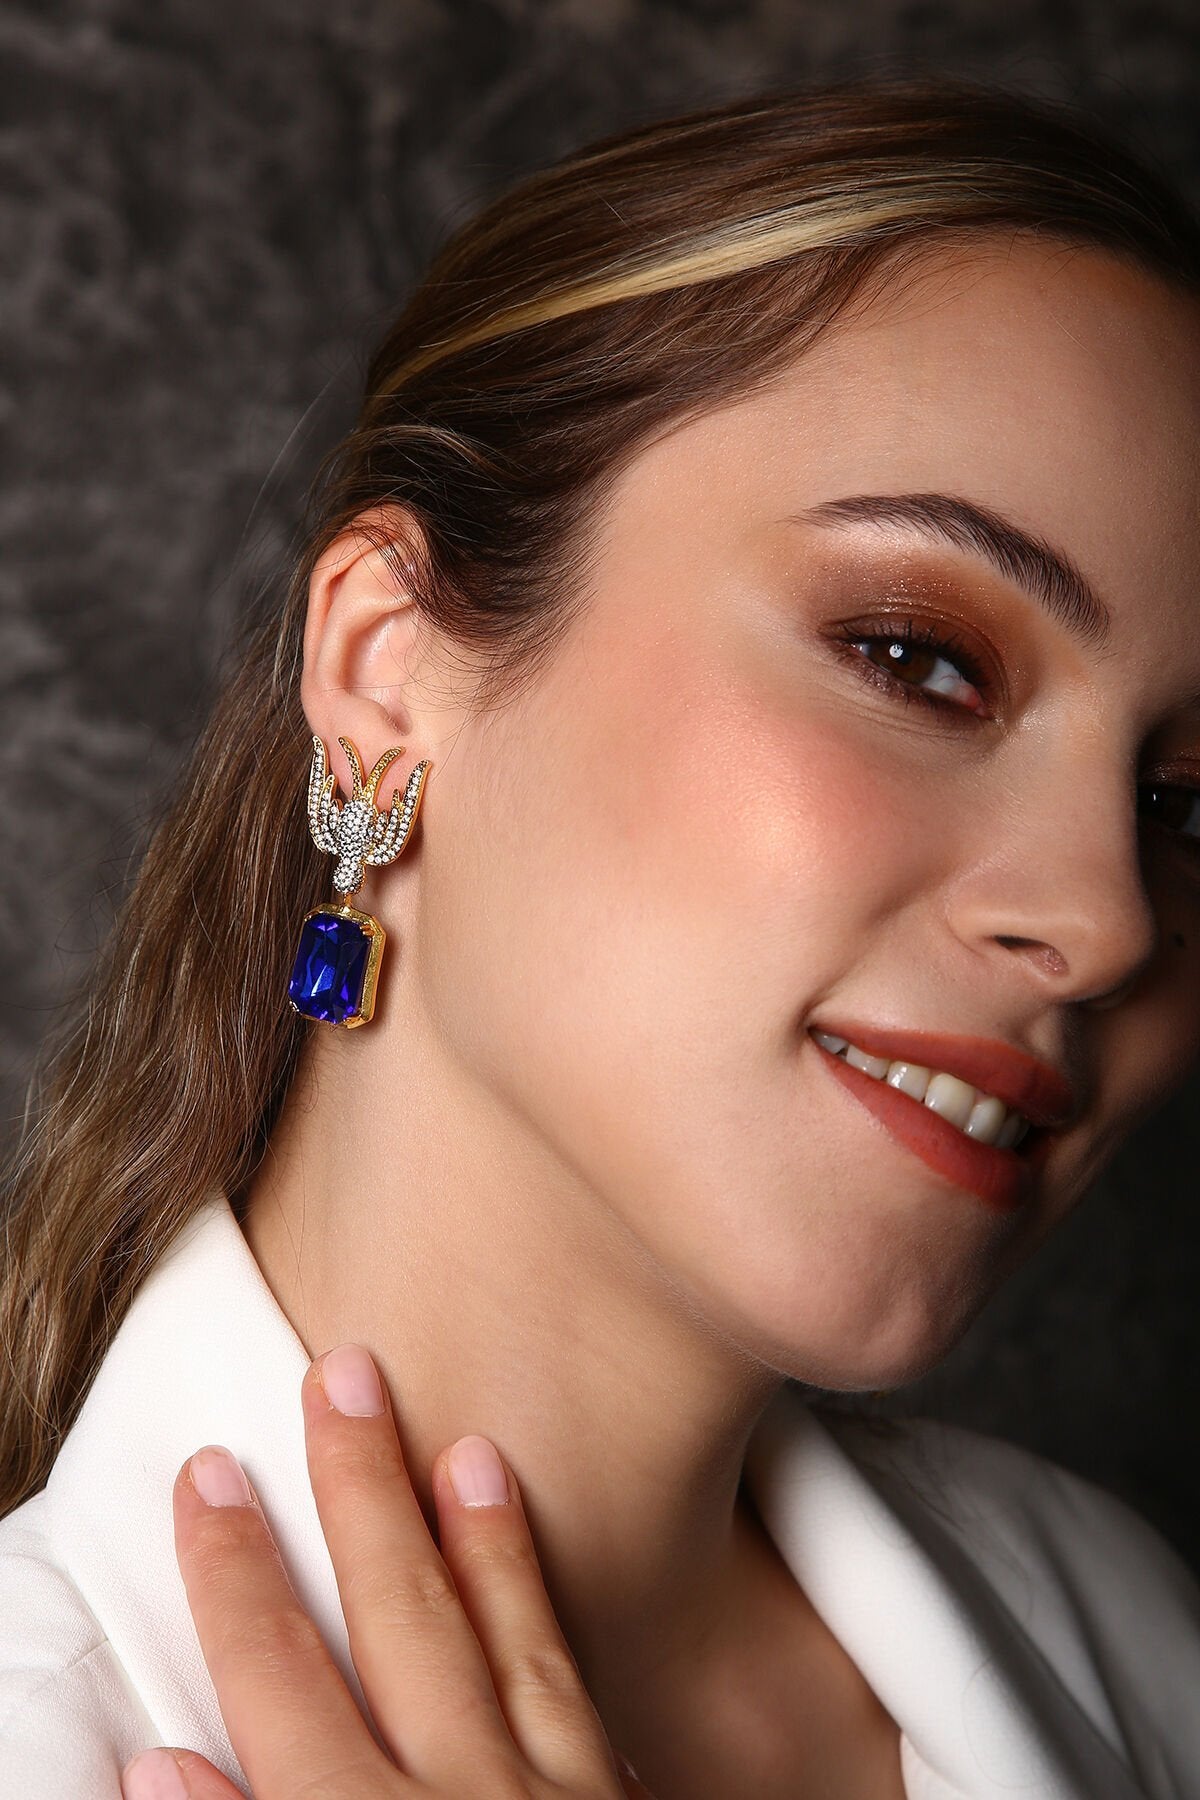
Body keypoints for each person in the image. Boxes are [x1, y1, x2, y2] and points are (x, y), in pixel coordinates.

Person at [2, 74, 1199, 1800]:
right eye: (918, 660)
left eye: (1187, 806)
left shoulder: (1132, 1642)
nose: (1107, 918)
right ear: (386, 671)